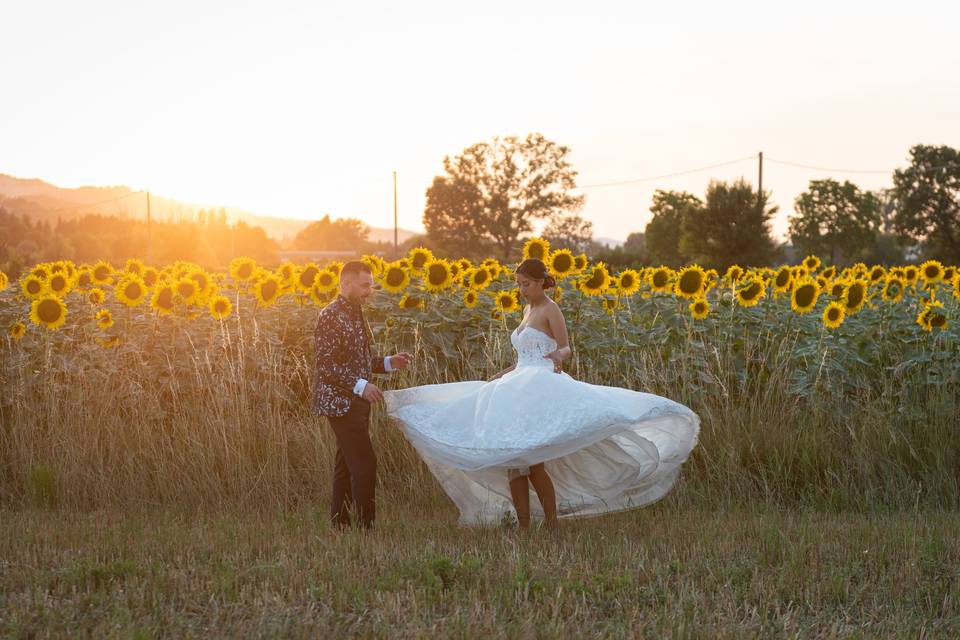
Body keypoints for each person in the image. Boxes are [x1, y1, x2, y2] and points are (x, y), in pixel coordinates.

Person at [385, 258, 699, 529]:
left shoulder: (551, 309)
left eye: (526, 284)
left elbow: (565, 346)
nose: (521, 289)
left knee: (534, 462)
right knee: (513, 459)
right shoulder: (526, 310)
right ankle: (524, 526)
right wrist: (500, 375)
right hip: (517, 383)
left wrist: (559, 356)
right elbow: (522, 357)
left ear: (540, 283)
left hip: (540, 385)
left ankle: (550, 524)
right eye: (519, 284)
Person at [313, 260, 412, 530]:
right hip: (339, 402)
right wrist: (361, 386)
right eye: (365, 285)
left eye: (371, 285)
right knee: (365, 463)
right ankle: (366, 528)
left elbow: (360, 360)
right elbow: (327, 365)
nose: (370, 290)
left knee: (346, 465)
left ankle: (340, 524)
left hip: (353, 401)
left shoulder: (355, 312)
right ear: (346, 283)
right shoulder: (331, 315)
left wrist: (390, 362)